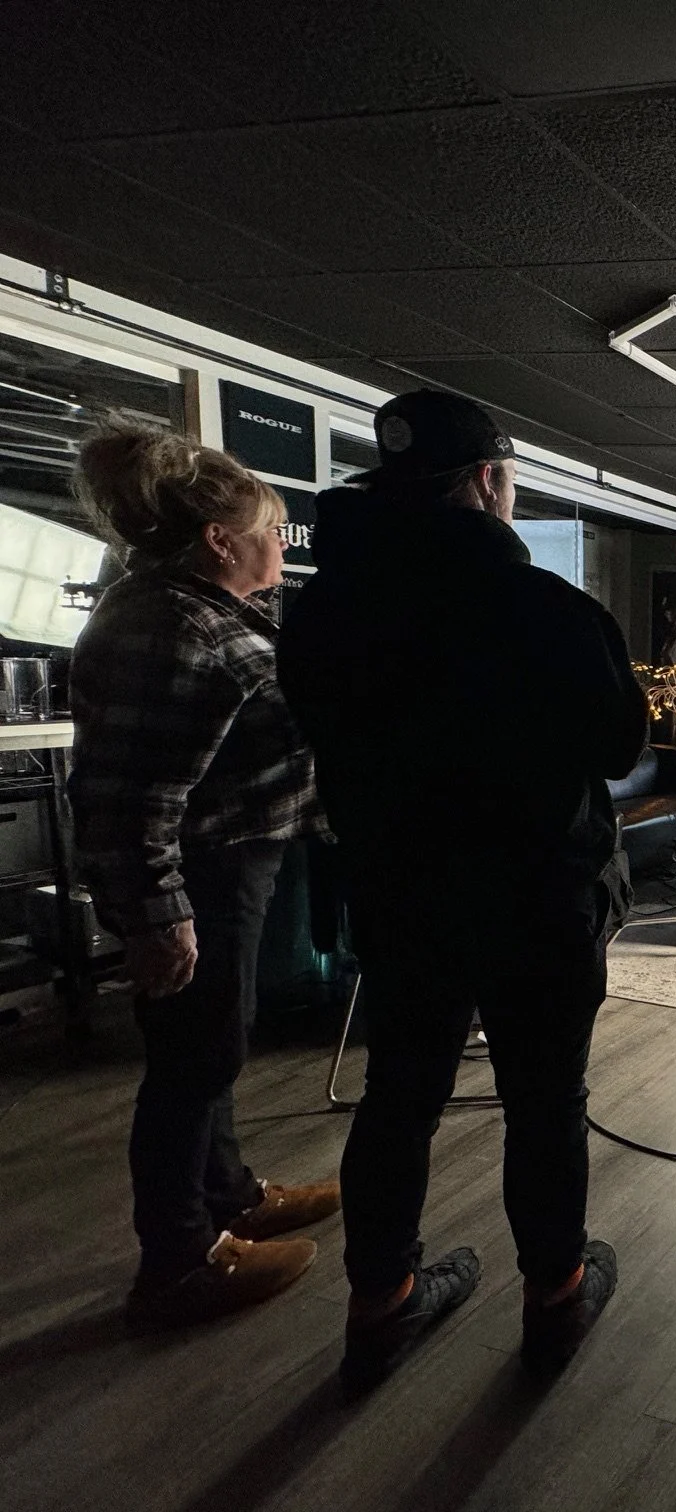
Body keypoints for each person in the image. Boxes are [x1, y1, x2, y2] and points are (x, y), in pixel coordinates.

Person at [276, 391, 647, 1388]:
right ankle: (556, 1298)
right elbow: (621, 745)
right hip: (539, 902)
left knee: (399, 1097)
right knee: (543, 1104)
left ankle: (381, 1309)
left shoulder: (321, 612)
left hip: (400, 894)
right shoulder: (548, 610)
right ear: (489, 480)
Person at [69, 424, 339, 1330]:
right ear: (221, 541)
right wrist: (158, 915)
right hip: (200, 875)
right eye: (270, 530)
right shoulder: (172, 624)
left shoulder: (197, 608)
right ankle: (181, 1261)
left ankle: (232, 1197)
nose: (280, 547)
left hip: (231, 861)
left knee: (215, 1045)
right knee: (192, 1062)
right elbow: (129, 792)